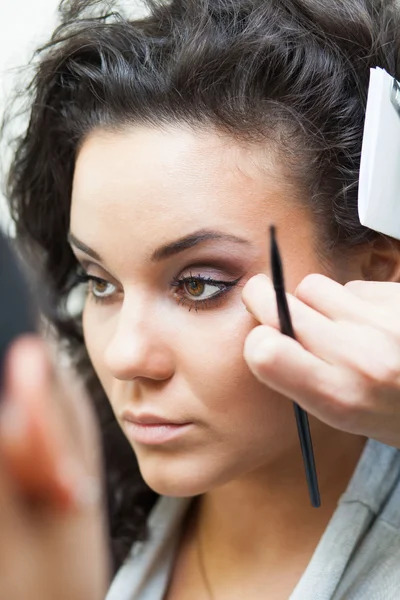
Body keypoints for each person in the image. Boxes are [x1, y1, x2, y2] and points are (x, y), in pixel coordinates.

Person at [3, 0, 400, 597]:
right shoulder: (58, 529)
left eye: (198, 285)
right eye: (100, 282)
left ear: (378, 273)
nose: (125, 357)